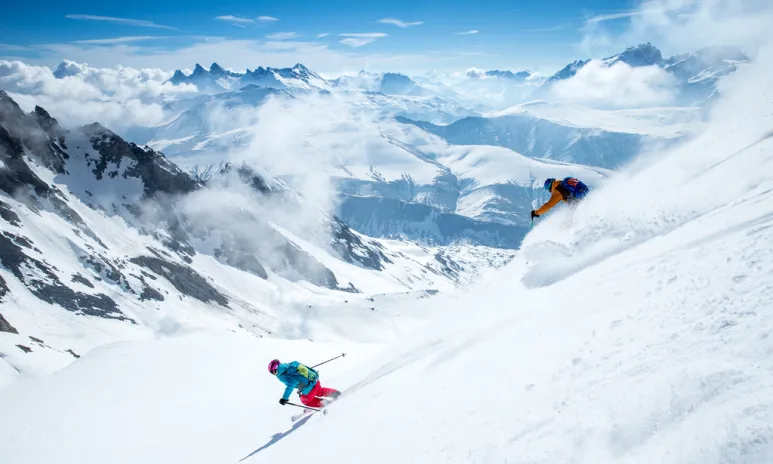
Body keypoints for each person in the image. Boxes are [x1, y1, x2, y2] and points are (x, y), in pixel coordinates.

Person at [268, 359, 341, 408]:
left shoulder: (282, 376)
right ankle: (336, 393)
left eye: (274, 369)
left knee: (305, 400)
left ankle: (325, 404)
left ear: (278, 366)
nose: (274, 372)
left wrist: (284, 398)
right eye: (272, 372)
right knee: (320, 391)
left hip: (309, 387)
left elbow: (292, 384)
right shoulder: (290, 365)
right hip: (315, 380)